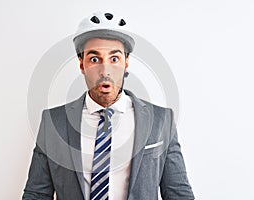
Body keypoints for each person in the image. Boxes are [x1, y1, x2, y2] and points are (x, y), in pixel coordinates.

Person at [22, 11, 194, 200]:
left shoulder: (161, 120)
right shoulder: (53, 122)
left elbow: (179, 193)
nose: (105, 71)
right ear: (81, 64)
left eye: (114, 58)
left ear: (126, 62)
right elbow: (37, 194)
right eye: (94, 59)